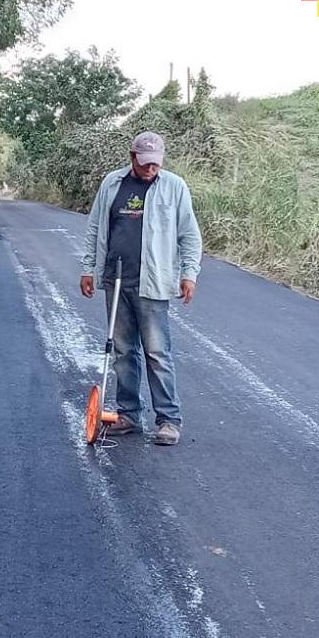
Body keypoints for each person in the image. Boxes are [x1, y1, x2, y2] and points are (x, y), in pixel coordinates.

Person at [79, 131, 202, 446]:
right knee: (122, 351)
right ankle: (129, 415)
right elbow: (95, 227)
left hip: (153, 282)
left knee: (157, 353)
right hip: (116, 279)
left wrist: (189, 273)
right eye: (145, 164)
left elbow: (189, 234)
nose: (151, 170)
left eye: (156, 164)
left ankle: (168, 419)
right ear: (132, 157)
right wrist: (88, 269)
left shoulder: (174, 187)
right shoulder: (112, 184)